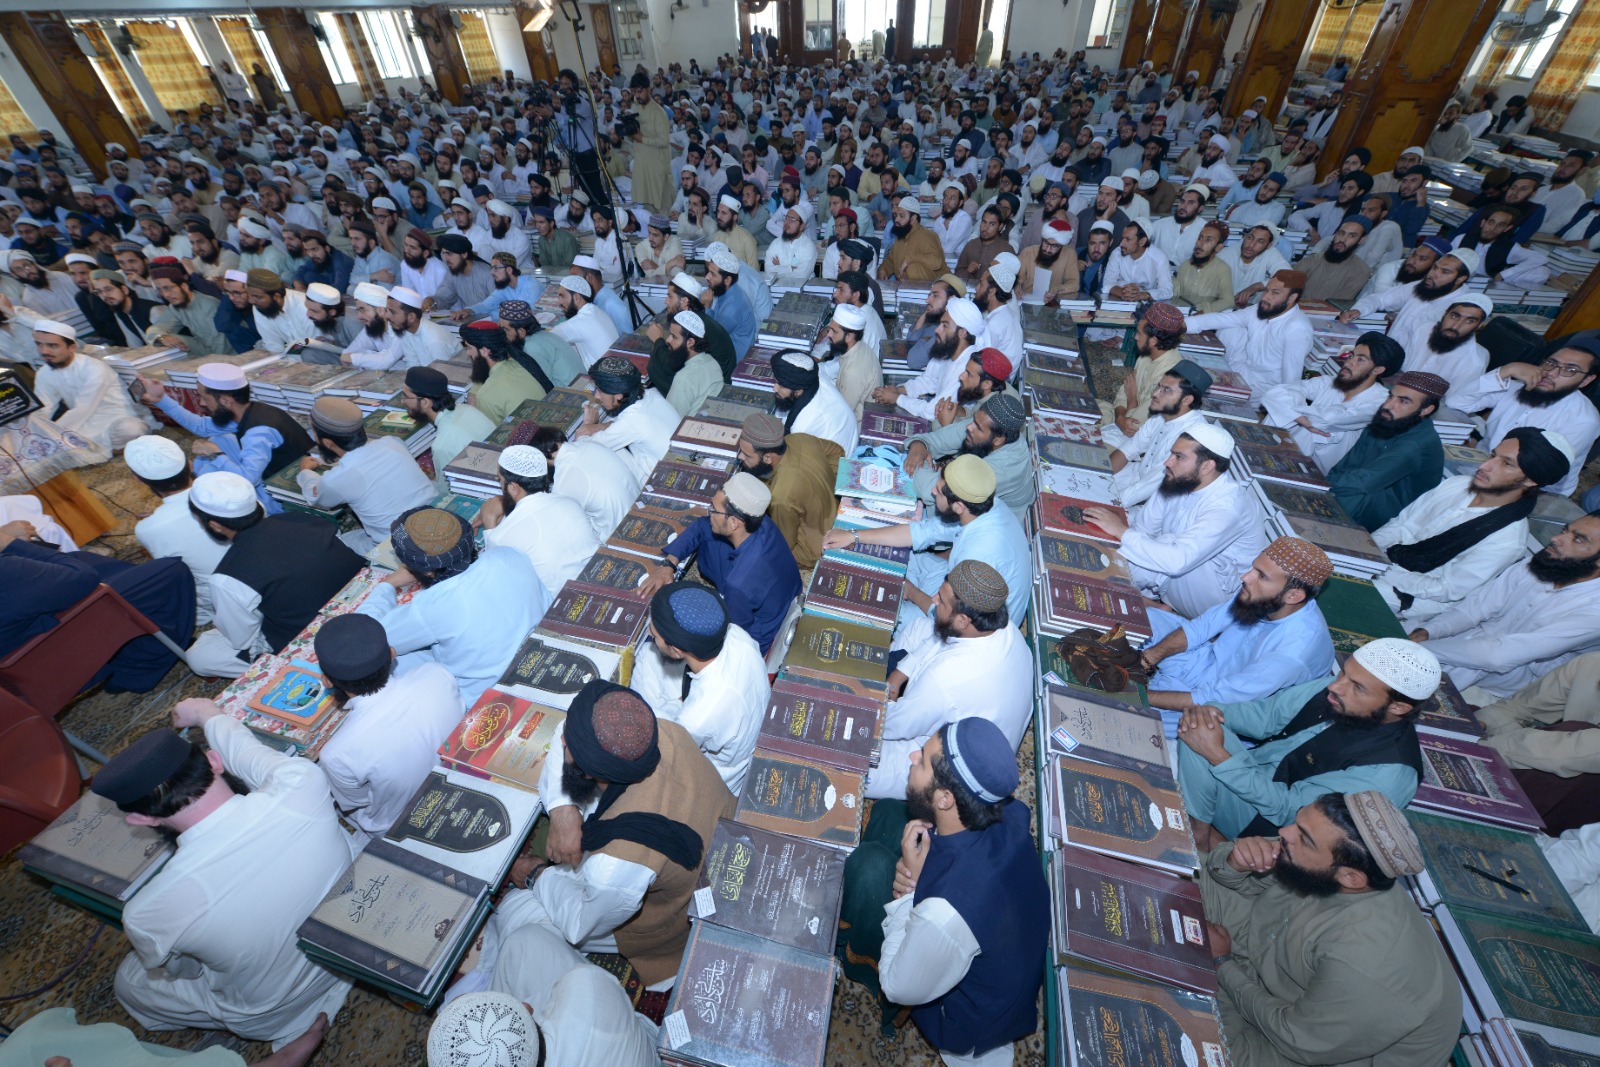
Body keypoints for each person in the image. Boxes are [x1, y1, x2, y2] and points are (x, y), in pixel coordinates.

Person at [96, 709, 353, 1050]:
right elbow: (248, 752)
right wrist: (206, 712)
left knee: (130, 980)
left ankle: (292, 1026)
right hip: (351, 951)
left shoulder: (145, 912)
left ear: (141, 818)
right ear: (215, 761)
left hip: (277, 1008)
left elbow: (186, 970)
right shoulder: (303, 783)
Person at [483, 680, 735, 986]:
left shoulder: (616, 864)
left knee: (516, 914)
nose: (562, 742)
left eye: (567, 748)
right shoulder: (654, 730)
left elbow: (580, 922)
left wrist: (536, 873)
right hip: (702, 824)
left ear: (591, 772)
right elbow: (568, 729)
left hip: (669, 919)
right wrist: (563, 813)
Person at [838, 718, 1049, 1067]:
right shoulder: (1007, 814)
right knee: (892, 812)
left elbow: (897, 984)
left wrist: (911, 893)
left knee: (869, 867)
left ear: (946, 799)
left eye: (921, 759)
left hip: (961, 1014)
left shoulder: (946, 914)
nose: (911, 757)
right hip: (987, 927)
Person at [1198, 791, 1461, 1066]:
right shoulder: (1324, 857)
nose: (1283, 832)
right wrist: (1236, 863)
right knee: (1181, 874)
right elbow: (1240, 880)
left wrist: (1222, 964)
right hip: (1267, 959)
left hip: (1318, 1050)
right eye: (1297, 822)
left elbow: (1297, 1040)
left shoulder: (1365, 961)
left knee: (1197, 1043)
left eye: (1304, 837)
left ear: (1350, 877)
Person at [1178, 639, 1440, 845]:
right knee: (1202, 723)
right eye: (1343, 674)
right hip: (1254, 778)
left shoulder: (1387, 774)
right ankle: (1201, 828)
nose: (1336, 687)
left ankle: (1197, 839)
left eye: (1358, 687)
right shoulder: (1339, 691)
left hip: (1271, 831)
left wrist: (1218, 755)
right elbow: (1265, 717)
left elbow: (1290, 812)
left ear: (1398, 707)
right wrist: (1212, 711)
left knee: (1199, 741)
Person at [868, 562, 1033, 801]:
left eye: (942, 601)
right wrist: (901, 672)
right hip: (967, 712)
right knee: (921, 627)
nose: (934, 600)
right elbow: (941, 637)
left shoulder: (947, 679)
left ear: (964, 620)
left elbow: (892, 725)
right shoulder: (1003, 626)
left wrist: (875, 701)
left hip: (956, 769)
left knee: (855, 754)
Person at [1373, 428, 1570, 625]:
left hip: (1418, 596)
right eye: (1493, 455)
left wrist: (1381, 571)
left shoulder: (1507, 540)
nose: (1485, 466)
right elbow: (1402, 526)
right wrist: (1366, 552)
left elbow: (1446, 589)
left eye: (1506, 463)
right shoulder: (1457, 484)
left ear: (1530, 480)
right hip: (1388, 562)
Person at [358, 505, 549, 706]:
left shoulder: (433, 605)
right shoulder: (507, 554)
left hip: (488, 697)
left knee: (385, 665)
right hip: (542, 661)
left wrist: (387, 584)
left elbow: (369, 638)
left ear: (429, 572)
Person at [183, 472, 364, 678]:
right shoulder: (299, 518)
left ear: (214, 524)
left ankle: (299, 670)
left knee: (200, 655)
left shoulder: (227, 578)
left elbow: (241, 639)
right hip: (360, 596)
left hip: (318, 636)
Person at [826, 454, 1030, 636]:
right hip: (953, 588)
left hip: (973, 629)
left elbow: (956, 623)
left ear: (958, 506)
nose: (932, 490)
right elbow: (921, 532)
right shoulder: (984, 505)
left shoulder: (978, 556)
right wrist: (854, 536)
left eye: (939, 491)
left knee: (885, 612)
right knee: (904, 556)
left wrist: (912, 593)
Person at [1138, 538, 1339, 718]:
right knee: (1146, 617)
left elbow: (1214, 697)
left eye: (1261, 576)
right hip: (1206, 662)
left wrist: (1140, 695)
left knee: (1135, 715)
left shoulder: (1294, 652)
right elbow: (1201, 628)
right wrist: (1149, 658)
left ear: (1293, 596)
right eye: (1253, 568)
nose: (1246, 577)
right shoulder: (1266, 595)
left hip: (1225, 707)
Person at [1413, 512, 1600, 704]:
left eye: (1577, 539)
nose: (1556, 539)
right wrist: (1428, 632)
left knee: (1411, 679)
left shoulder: (1595, 612)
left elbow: (1499, 656)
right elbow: (1476, 608)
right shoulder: (1549, 560)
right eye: (1564, 530)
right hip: (1467, 643)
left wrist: (1419, 649)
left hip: (1509, 678)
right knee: (1408, 633)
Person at [311, 612, 464, 846]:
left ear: (327, 681)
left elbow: (356, 803)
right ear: (392, 654)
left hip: (401, 826)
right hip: (464, 783)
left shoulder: (336, 754)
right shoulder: (436, 675)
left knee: (315, 779)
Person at [1087, 423, 1266, 618]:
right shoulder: (1179, 477)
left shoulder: (1229, 506)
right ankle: (1150, 603)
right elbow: (1143, 528)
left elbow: (1178, 561)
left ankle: (1150, 602)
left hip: (1214, 599)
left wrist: (1121, 531)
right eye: (1171, 454)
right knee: (1108, 560)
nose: (1168, 462)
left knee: (1161, 544)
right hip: (1177, 576)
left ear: (1207, 466)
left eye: (1179, 457)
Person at [0, 517, 195, 693]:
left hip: (18, 677)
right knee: (169, 571)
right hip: (54, 656)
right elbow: (82, 579)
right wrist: (8, 543)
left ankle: (133, 648)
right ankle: (138, 669)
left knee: (83, 559)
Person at [625, 581, 770, 792]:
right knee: (648, 655)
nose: (650, 633)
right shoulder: (738, 636)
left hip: (715, 777)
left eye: (655, 635)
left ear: (676, 651)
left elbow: (679, 753)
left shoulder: (696, 718)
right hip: (732, 719)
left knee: (638, 703)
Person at [640, 471, 802, 656]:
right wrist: (669, 564)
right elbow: (701, 526)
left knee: (669, 634)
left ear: (734, 522)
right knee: (708, 535)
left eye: (714, 510)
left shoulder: (739, 583)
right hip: (778, 592)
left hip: (758, 631)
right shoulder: (760, 522)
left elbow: (732, 631)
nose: (709, 514)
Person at [428, 952, 658, 1067]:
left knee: (519, 946)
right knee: (522, 941)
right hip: (652, 1055)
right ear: (526, 1009)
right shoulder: (585, 986)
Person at [1444, 339, 1600, 499]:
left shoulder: (1583, 420)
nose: (1551, 373)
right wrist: (1506, 370)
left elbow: (1537, 472)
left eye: (1570, 370)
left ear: (1586, 380)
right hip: (1484, 463)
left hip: (1534, 490)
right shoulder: (1519, 387)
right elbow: (1456, 402)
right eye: (1551, 363)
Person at [1475, 652, 1600, 834]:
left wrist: (1476, 748)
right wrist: (1478, 726)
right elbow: (1520, 707)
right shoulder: (1592, 664)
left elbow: (1563, 755)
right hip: (1542, 753)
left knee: (1570, 742)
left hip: (1582, 805)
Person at [295, 397, 434, 553]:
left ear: (327, 442)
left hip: (397, 545)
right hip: (435, 519)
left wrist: (305, 471)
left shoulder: (338, 478)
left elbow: (317, 498)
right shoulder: (392, 442)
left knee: (339, 541)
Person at [1261, 332, 1403, 474]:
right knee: (1280, 412)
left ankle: (1271, 462)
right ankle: (1265, 458)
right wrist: (1296, 415)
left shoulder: (1381, 401)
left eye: (1361, 360)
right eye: (1352, 355)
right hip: (1297, 448)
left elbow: (1328, 420)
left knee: (1305, 427)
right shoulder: (1330, 382)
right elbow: (1276, 392)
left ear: (1378, 369)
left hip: (1328, 464)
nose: (1348, 363)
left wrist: (1290, 411)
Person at [125, 435, 227, 627]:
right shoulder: (228, 485)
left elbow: (177, 571)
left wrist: (159, 519)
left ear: (137, 479)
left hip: (221, 598)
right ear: (190, 465)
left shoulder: (148, 529)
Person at [1329, 371, 1447, 531]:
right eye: (1390, 396)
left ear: (1425, 410)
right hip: (1365, 490)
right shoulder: (1386, 421)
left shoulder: (1414, 445)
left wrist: (1318, 488)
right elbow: (1345, 467)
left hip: (1393, 513)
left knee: (1353, 495)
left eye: (1403, 401)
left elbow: (1363, 483)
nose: (1387, 405)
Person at [477, 444, 599, 594]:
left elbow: (496, 577)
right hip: (598, 580)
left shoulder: (501, 536)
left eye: (501, 482)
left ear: (514, 488)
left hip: (561, 606)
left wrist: (489, 522)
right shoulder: (570, 502)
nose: (501, 487)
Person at [733, 413, 842, 573]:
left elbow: (785, 542)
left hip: (816, 546)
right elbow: (837, 452)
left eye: (747, 455)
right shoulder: (798, 439)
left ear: (769, 458)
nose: (740, 457)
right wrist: (832, 486)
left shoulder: (781, 497)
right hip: (836, 508)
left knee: (760, 551)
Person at [1183, 270, 1314, 401]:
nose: (1265, 297)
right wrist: (1181, 325)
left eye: (1275, 293)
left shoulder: (1298, 329)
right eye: (1266, 290)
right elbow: (1224, 318)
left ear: (1292, 298)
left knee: (1195, 389)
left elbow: (1291, 380)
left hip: (1262, 386)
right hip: (1242, 366)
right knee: (1232, 321)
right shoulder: (1265, 308)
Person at [905, 391, 1034, 521]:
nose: (968, 427)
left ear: (998, 440)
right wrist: (918, 445)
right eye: (974, 420)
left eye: (977, 426)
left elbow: (933, 491)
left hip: (992, 525)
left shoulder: (1004, 468)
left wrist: (918, 458)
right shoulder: (981, 426)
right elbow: (936, 440)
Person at [31, 319, 153, 452]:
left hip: (115, 416)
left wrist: (53, 437)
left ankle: (90, 450)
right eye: (39, 344)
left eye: (52, 346)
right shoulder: (44, 373)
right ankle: (105, 450)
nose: (44, 351)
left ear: (72, 347)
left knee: (131, 429)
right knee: (48, 442)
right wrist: (35, 432)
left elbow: (84, 407)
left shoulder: (94, 368)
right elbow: (43, 408)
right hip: (83, 422)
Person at [1109, 361, 1212, 509]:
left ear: (1187, 400)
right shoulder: (1163, 413)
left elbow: (1151, 485)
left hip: (1161, 502)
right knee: (1088, 481)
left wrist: (1109, 504)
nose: (1155, 394)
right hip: (1138, 476)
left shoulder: (1191, 440)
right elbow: (1131, 448)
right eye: (1158, 386)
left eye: (1167, 390)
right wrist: (1100, 473)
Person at [872, 296, 985, 421]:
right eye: (940, 324)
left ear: (963, 332)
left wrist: (897, 398)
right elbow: (929, 380)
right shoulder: (948, 349)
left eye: (945, 325)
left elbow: (933, 411)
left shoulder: (968, 368)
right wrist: (899, 390)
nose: (937, 330)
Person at [526, 426, 642, 545]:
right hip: (642, 507)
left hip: (623, 534)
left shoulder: (563, 479)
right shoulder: (590, 443)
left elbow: (573, 530)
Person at [574, 355, 679, 483]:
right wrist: (600, 426)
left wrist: (588, 423)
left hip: (664, 481)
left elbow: (584, 449)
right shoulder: (651, 393)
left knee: (611, 453)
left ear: (618, 396)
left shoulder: (631, 422)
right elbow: (623, 424)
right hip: (677, 465)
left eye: (600, 391)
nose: (596, 396)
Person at [1099, 301, 1187, 449]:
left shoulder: (1170, 378)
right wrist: (1121, 418)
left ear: (1153, 341)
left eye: (1139, 333)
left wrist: (1132, 398)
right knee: (1082, 410)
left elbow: (1134, 424)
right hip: (1121, 421)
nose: (1135, 337)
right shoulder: (1146, 355)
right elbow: (1122, 393)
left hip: (1138, 440)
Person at [400, 364, 495, 496]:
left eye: (406, 397)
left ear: (426, 403)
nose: (403, 401)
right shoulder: (468, 409)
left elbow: (446, 493)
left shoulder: (442, 446)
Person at [1392, 293, 1494, 402]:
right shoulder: (1424, 330)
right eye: (1454, 316)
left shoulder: (1474, 361)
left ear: (1479, 326)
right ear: (1445, 314)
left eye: (1469, 321)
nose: (1455, 326)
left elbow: (1453, 402)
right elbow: (1403, 367)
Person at [770, 349, 859, 455]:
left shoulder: (802, 426)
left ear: (798, 391)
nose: (774, 388)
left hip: (837, 464)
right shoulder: (816, 380)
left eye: (780, 385)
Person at [462, 320, 549, 424]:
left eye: (469, 348)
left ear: (485, 351)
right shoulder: (518, 362)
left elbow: (489, 434)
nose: (468, 352)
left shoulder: (486, 396)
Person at [500, 299, 586, 389]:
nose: (502, 333)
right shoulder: (544, 335)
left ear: (521, 332)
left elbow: (543, 384)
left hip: (573, 393)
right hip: (580, 385)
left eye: (506, 329)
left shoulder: (532, 347)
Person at [550, 276, 619, 370]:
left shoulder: (578, 322)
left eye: (562, 296)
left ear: (577, 297)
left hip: (602, 380)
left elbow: (547, 338)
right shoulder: (596, 311)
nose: (560, 301)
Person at [1298, 218, 1372, 302]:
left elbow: (1338, 304)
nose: (1342, 239)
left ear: (1361, 240)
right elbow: (1288, 287)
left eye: (1352, 236)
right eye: (1341, 233)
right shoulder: (1312, 259)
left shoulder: (1361, 271)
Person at [1101, 216, 1172, 302]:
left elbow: (1167, 291)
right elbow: (1108, 282)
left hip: (1149, 305)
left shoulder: (1159, 258)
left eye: (1128, 239)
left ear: (1142, 241)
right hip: (1119, 300)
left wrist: (1142, 295)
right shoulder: (1117, 253)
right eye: (1122, 238)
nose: (1121, 243)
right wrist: (1123, 292)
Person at [877, 194, 946, 281]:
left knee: (913, 268)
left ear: (913, 219)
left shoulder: (927, 236)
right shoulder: (900, 238)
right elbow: (890, 262)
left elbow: (936, 262)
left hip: (934, 288)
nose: (897, 219)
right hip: (905, 290)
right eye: (896, 215)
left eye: (901, 216)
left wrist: (910, 259)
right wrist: (883, 270)